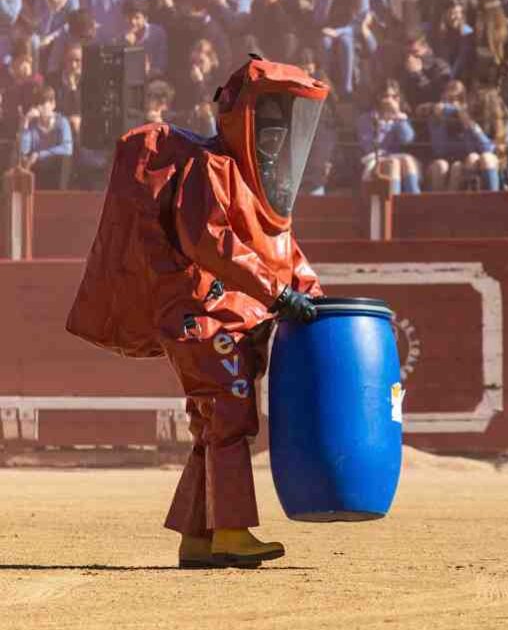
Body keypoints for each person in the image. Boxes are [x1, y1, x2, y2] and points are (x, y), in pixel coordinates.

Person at [66, 57, 329, 569]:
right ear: (245, 125)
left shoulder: (257, 184)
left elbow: (280, 251)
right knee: (229, 414)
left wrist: (310, 293)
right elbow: (210, 241)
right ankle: (231, 531)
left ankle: (198, 537)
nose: (275, 145)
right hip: (205, 319)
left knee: (213, 426)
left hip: (221, 320)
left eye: (281, 134)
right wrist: (280, 296)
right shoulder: (214, 168)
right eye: (267, 132)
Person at [19, 85, 72, 189]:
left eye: (43, 103)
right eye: (37, 104)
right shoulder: (32, 124)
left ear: (53, 104)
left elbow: (67, 149)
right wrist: (26, 121)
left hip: (56, 170)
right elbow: (24, 151)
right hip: (37, 170)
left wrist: (39, 154)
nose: (39, 107)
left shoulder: (62, 122)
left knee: (65, 161)